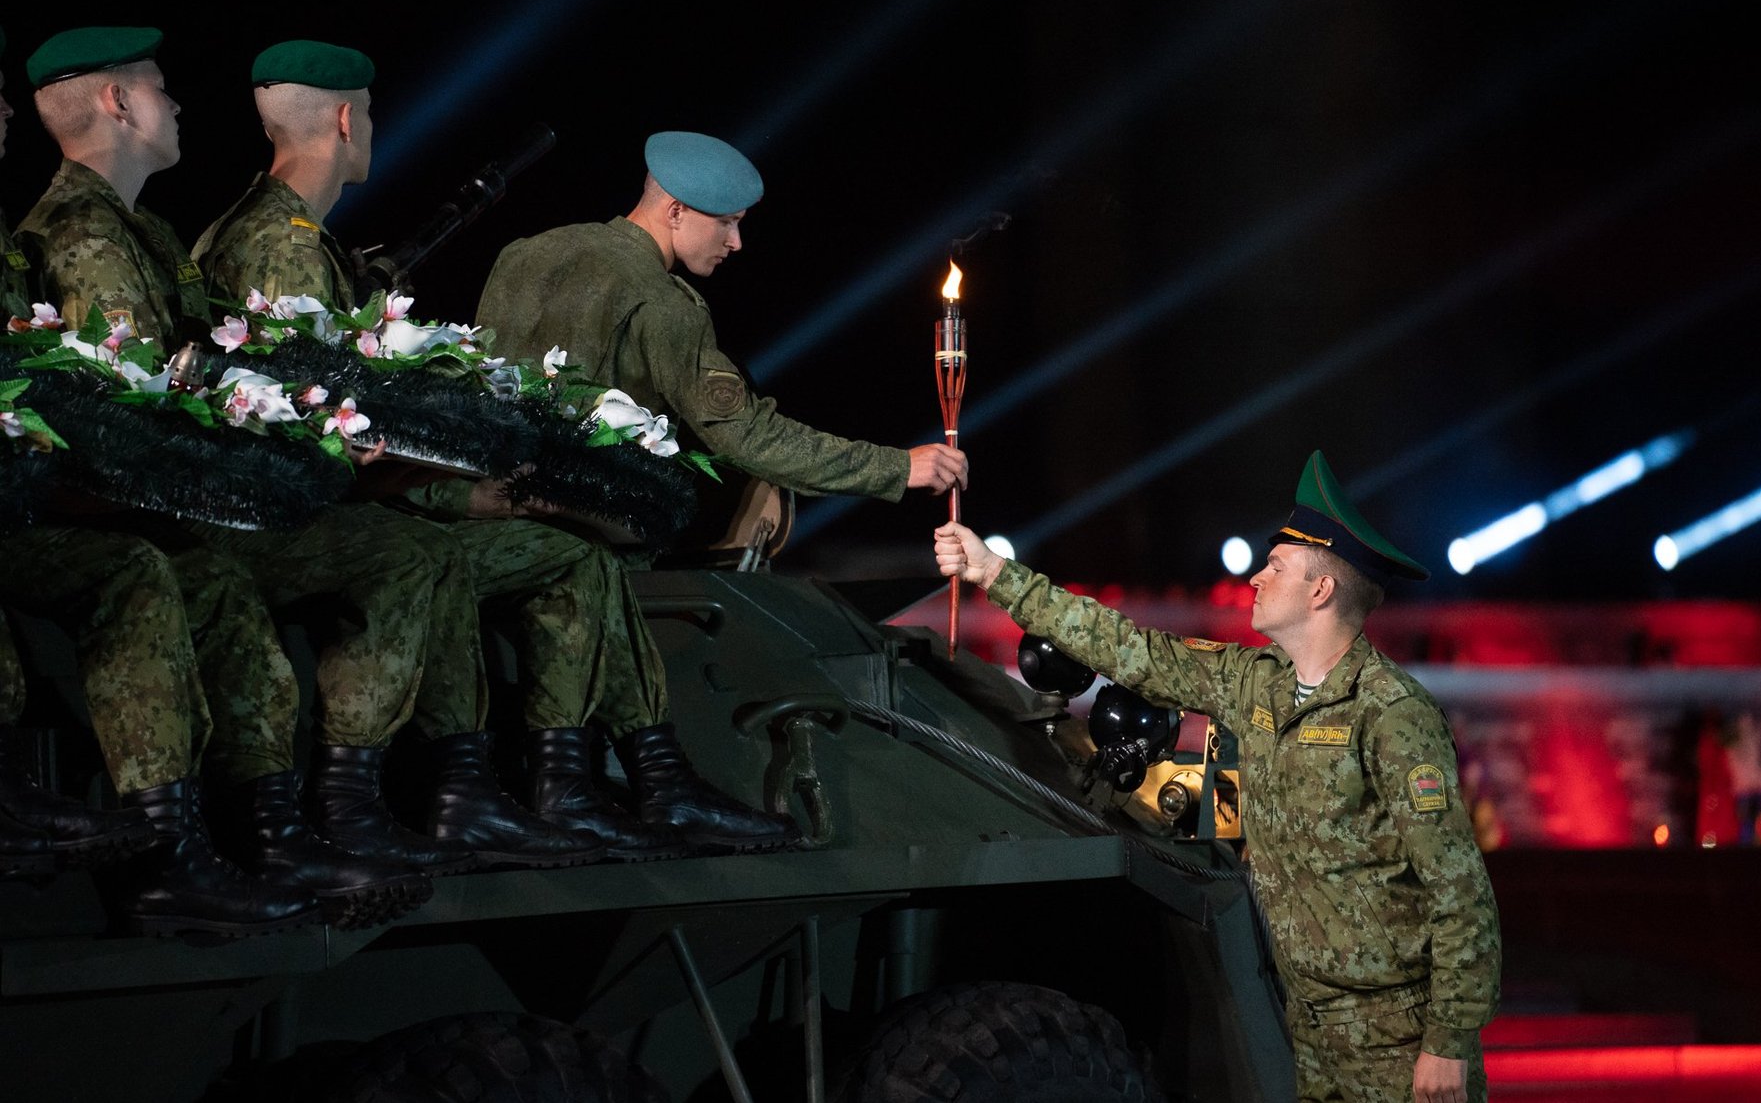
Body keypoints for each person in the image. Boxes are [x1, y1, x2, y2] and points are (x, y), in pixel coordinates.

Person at [18, 25, 599, 888]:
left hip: (214, 494)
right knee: (405, 552)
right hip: (184, 509)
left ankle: (338, 813)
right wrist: (325, 449)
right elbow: (139, 408)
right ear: (118, 101)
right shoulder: (88, 236)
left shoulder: (141, 231)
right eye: (160, 88)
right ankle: (347, 808)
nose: (175, 104)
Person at [193, 41, 788, 856]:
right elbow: (315, 419)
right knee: (458, 553)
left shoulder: (264, 231)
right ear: (346, 119)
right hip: (288, 521)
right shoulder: (286, 244)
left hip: (297, 504)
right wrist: (453, 484)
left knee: (571, 553)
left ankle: (612, 782)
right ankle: (469, 789)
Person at [933, 451, 1501, 1103]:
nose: (1257, 577)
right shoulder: (1253, 684)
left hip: (1395, 1032)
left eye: (1276, 567)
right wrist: (994, 572)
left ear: (1320, 591)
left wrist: (1447, 1041)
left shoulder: (1392, 712)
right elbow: (1129, 648)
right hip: (1308, 1023)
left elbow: (1459, 889)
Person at [473, 129, 968, 846]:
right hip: (590, 548)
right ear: (674, 210)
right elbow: (748, 436)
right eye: (726, 223)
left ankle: (635, 782)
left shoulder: (525, 254)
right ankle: (639, 785)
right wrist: (898, 468)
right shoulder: (661, 300)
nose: (737, 243)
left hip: (485, 519)